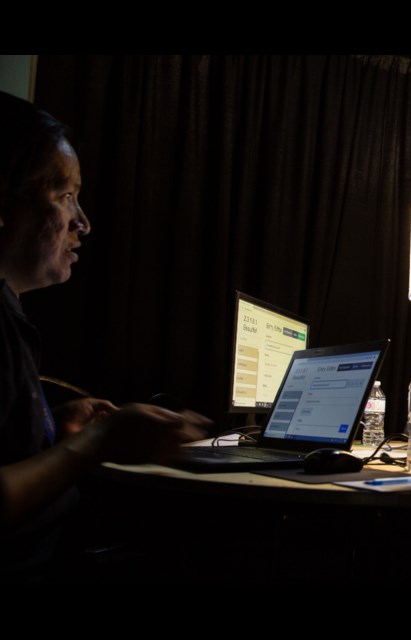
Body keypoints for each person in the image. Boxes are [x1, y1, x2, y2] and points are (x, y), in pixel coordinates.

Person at [0, 91, 208, 579]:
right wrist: (97, 442)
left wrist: (52, 427)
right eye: (65, 196)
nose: (83, 223)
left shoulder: (9, 312)